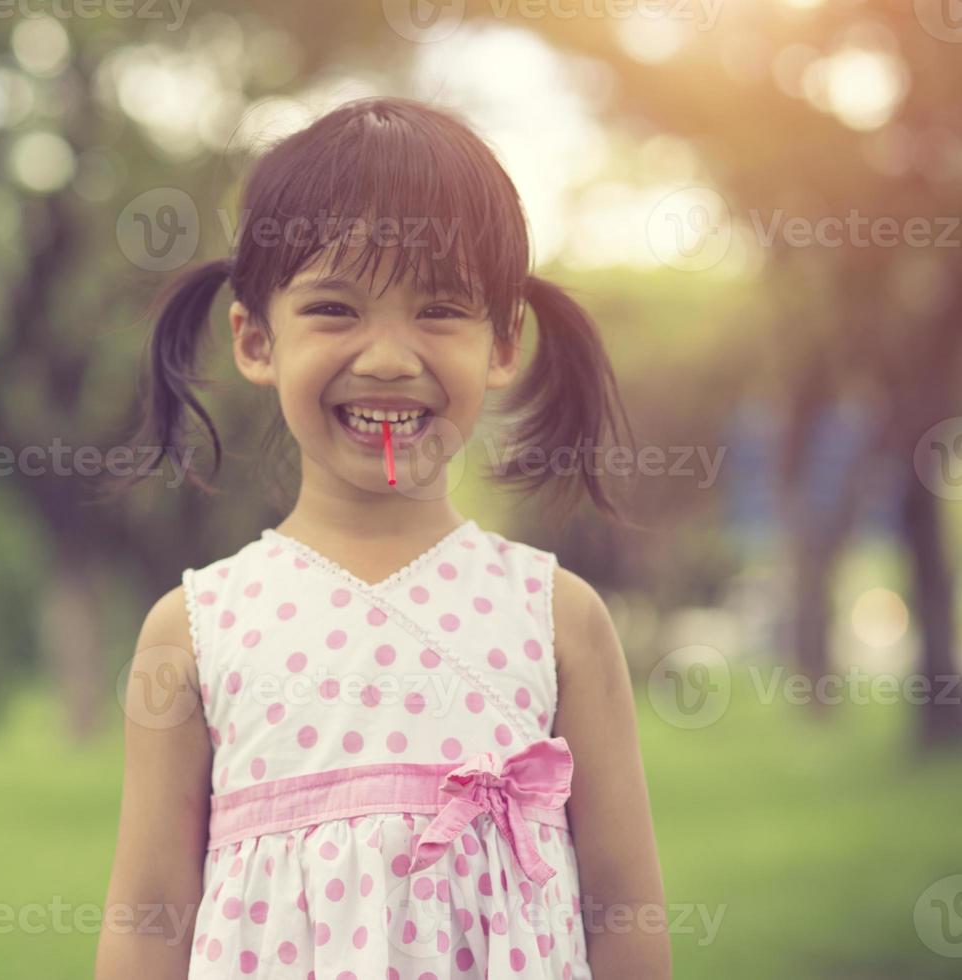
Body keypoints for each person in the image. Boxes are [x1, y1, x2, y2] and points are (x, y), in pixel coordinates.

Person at [96, 96, 670, 980]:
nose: (391, 358)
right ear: (255, 340)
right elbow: (147, 921)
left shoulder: (559, 617)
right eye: (334, 309)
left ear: (503, 343)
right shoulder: (192, 630)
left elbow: (625, 908)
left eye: (440, 310)